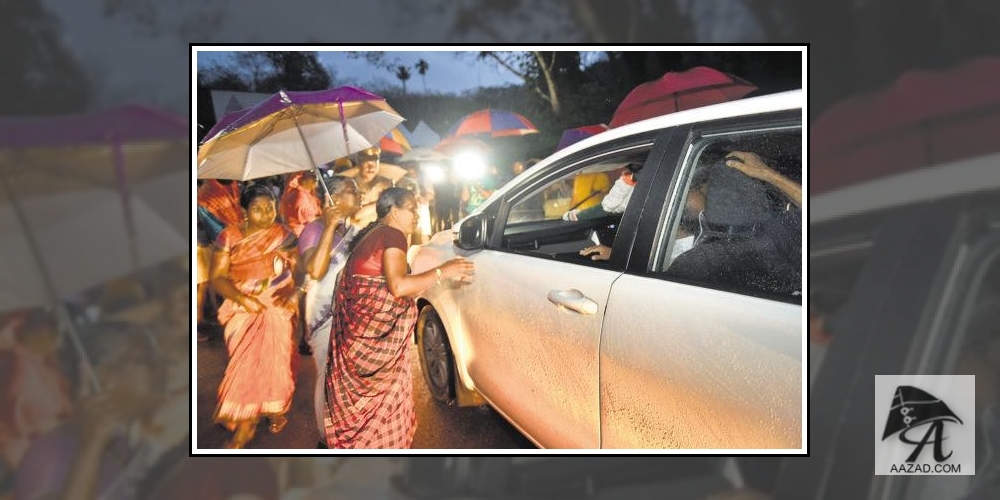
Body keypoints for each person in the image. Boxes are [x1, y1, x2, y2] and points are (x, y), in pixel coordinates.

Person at [325, 188, 475, 448]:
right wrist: (444, 271)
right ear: (394, 211)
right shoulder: (392, 234)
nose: (417, 215)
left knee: (366, 415)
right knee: (382, 412)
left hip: (357, 340)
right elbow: (398, 287)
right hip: (373, 346)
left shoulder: (371, 233)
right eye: (412, 209)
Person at [209, 184, 300, 449]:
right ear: (245, 211)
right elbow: (217, 277)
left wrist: (294, 292)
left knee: (277, 359)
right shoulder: (229, 236)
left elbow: (301, 267)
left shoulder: (283, 234)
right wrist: (242, 299)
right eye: (258, 209)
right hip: (242, 306)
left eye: (270, 207)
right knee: (245, 363)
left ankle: (275, 407)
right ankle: (245, 423)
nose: (265, 214)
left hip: (277, 303)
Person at [296, 175, 360, 447]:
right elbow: (315, 270)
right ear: (332, 199)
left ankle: (347, 425)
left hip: (349, 310)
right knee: (327, 373)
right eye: (351, 192)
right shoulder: (313, 230)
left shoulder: (351, 229)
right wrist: (329, 225)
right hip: (323, 312)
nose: (357, 196)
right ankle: (326, 437)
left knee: (348, 373)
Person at [350, 146, 393, 229]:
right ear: (359, 164)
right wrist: (381, 203)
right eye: (367, 163)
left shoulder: (386, 183)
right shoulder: (350, 185)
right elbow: (355, 215)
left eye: (374, 163)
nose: (371, 167)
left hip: (379, 231)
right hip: (357, 233)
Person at [279, 171, 323, 237]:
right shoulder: (300, 196)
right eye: (312, 176)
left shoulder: (308, 193)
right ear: (303, 180)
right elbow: (311, 220)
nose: (316, 177)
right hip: (303, 236)